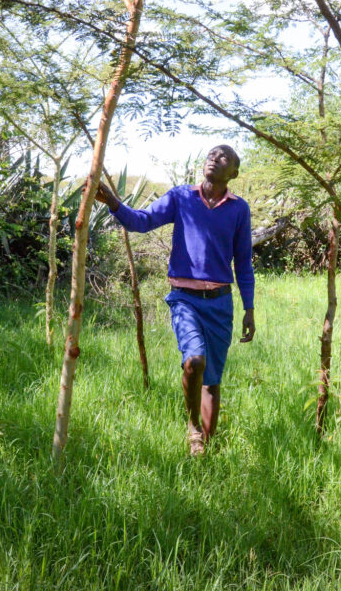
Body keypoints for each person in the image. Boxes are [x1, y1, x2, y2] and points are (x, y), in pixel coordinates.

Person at [95, 145, 255, 456]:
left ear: (234, 173)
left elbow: (244, 263)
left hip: (220, 302)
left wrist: (249, 308)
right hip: (184, 299)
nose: (214, 158)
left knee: (212, 381)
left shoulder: (239, 209)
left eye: (223, 157)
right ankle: (193, 428)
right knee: (194, 361)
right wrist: (113, 203)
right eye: (211, 154)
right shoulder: (181, 197)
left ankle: (207, 446)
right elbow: (142, 221)